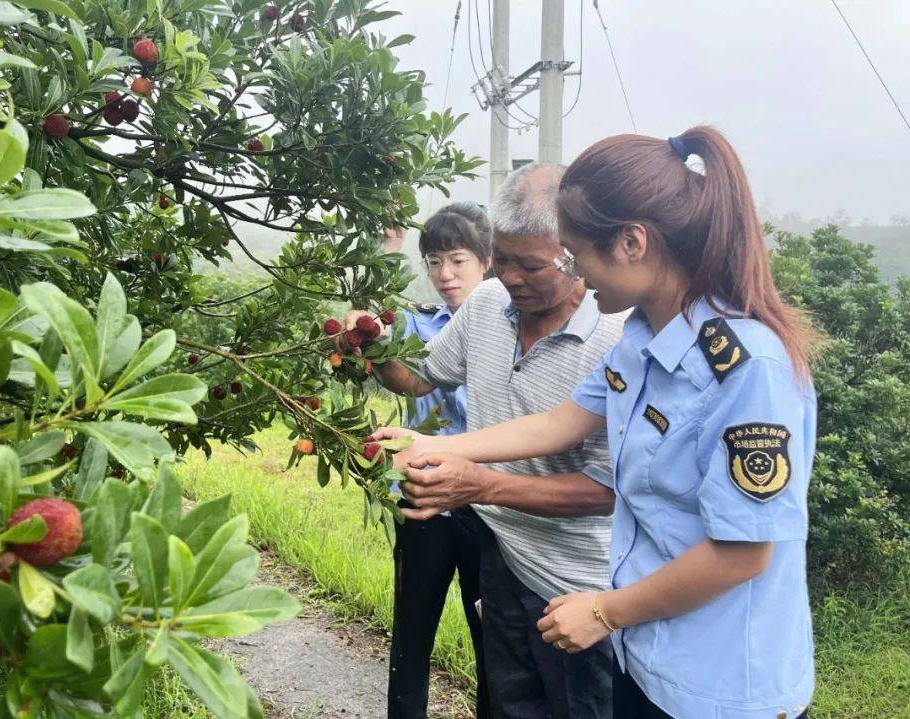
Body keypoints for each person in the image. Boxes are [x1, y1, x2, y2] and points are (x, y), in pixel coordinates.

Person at [373, 127, 816, 719]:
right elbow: (561, 422)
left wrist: (607, 611)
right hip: (646, 655)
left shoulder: (746, 368)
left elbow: (742, 554)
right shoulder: (642, 337)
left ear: (633, 243)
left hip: (721, 683)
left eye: (575, 253)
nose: (576, 271)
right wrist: (428, 443)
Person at [349, 163, 624, 719]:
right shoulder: (486, 306)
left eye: (530, 264)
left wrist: (476, 484)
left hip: (576, 585)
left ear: (574, 254)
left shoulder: (615, 339)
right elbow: (422, 376)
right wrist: (375, 348)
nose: (511, 277)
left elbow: (608, 491)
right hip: (503, 558)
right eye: (502, 258)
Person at [377, 203, 492, 719]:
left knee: (494, 643)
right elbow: (373, 333)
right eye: (434, 262)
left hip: (489, 509)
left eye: (458, 260)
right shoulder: (418, 326)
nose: (445, 275)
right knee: (411, 636)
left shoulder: (508, 329)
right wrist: (389, 250)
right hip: (424, 506)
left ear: (486, 262)